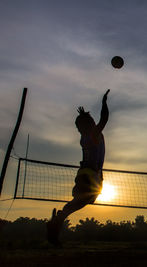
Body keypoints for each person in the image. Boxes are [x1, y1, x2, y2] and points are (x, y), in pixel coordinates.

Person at [47, 89, 110, 245]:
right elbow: (104, 119)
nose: (77, 129)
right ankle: (57, 222)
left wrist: (84, 116)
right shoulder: (93, 133)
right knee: (82, 200)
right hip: (89, 175)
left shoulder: (84, 136)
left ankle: (58, 220)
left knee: (81, 201)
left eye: (78, 126)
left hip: (86, 173)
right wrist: (104, 103)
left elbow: (96, 122)